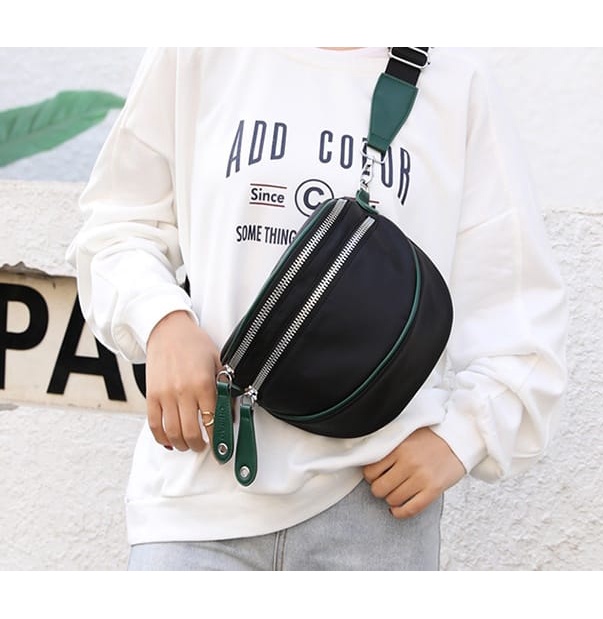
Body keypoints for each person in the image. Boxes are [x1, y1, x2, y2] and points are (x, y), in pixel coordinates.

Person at [67, 47, 568, 570]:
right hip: (196, 504)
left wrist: (463, 435)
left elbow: (519, 307)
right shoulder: (200, 48)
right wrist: (162, 322)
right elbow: (117, 227)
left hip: (375, 513)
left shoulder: (455, 79)